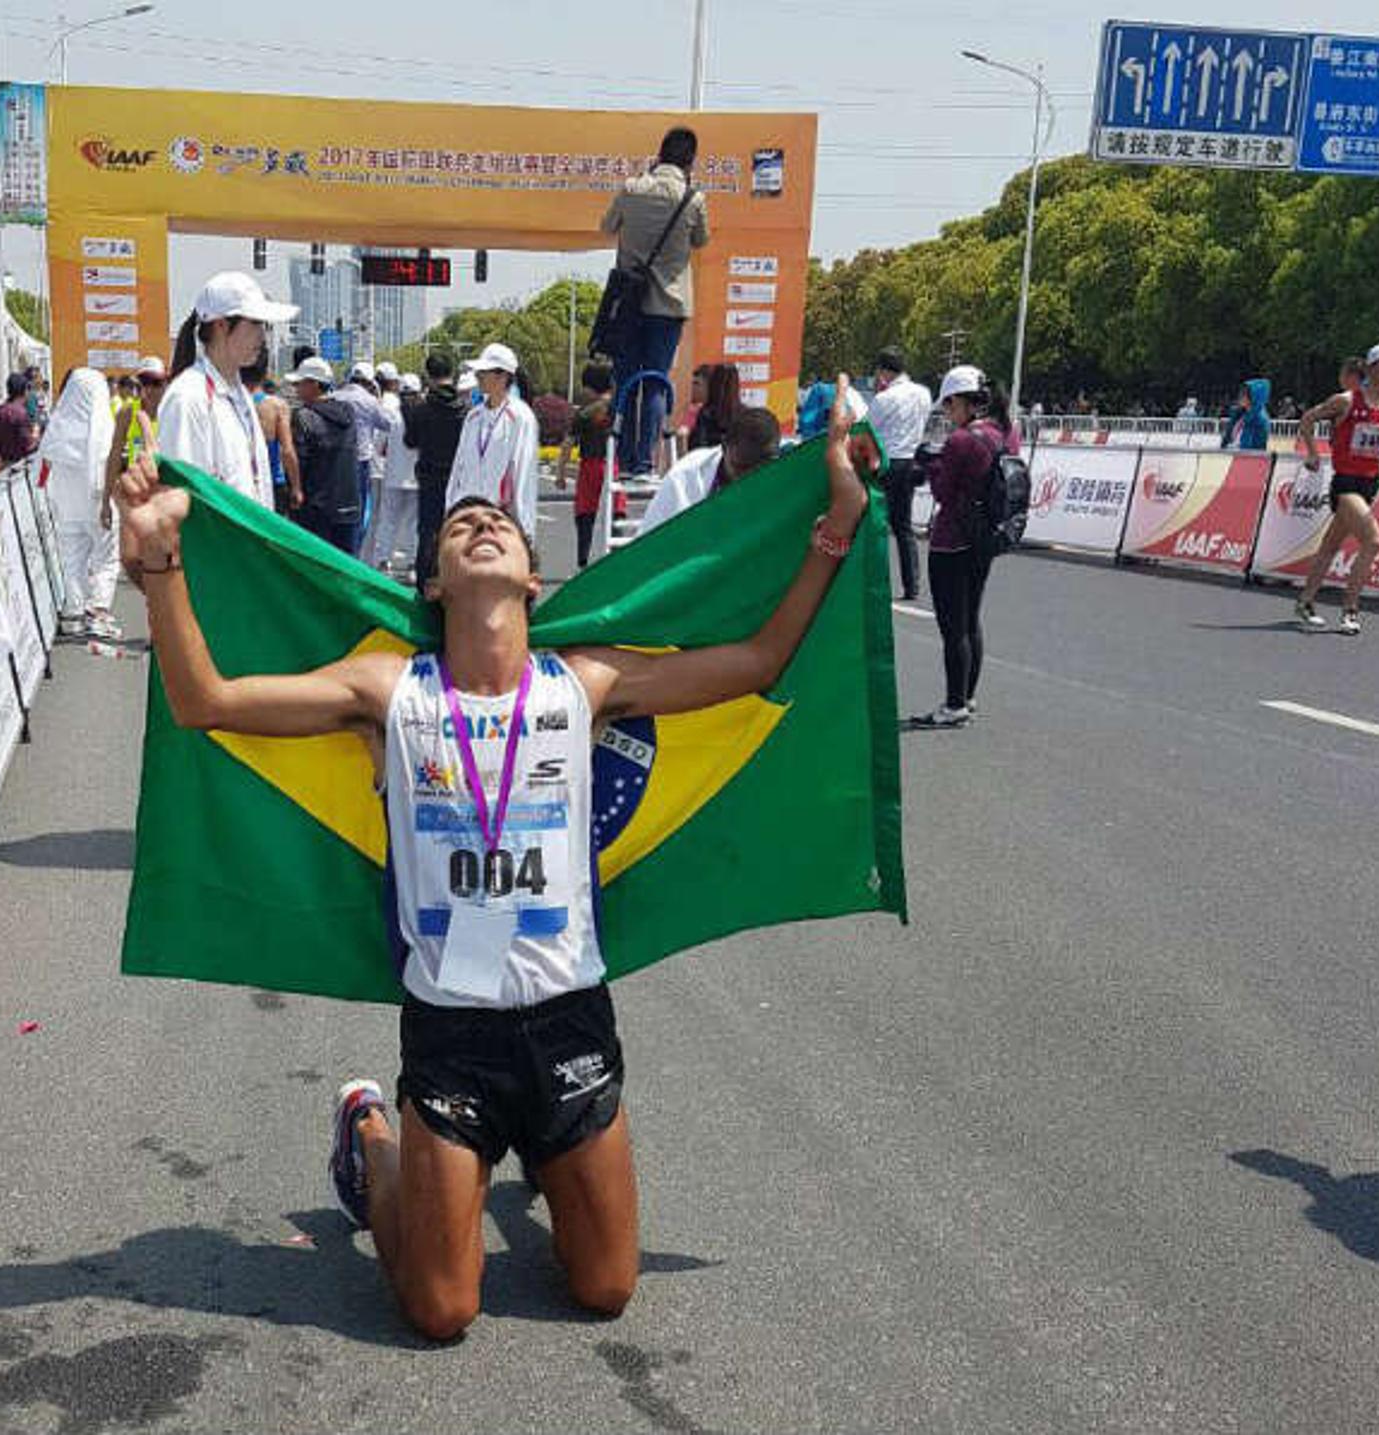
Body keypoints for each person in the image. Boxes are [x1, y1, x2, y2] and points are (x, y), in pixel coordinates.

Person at [110, 379, 867, 1341]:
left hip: (568, 1024)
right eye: (457, 524)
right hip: (451, 1035)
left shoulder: (584, 683)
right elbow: (205, 701)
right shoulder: (388, 689)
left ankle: (523, 1174)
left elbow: (757, 661)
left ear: (531, 580)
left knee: (604, 1289)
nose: (478, 524)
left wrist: (835, 518)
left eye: (497, 524)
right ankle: (371, 1141)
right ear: (433, 582)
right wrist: (163, 558)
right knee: (441, 1307)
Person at [600, 126, 710, 477]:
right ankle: (645, 462)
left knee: (627, 376)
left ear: (658, 153)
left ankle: (625, 458)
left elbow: (607, 225)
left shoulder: (632, 188)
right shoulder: (693, 198)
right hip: (669, 304)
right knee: (655, 379)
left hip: (628, 302)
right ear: (690, 161)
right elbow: (701, 240)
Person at [1292, 341, 1379, 635]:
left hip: (1370, 483)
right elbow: (1307, 419)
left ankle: (1305, 601)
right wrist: (1312, 453)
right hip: (1345, 482)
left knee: (1330, 546)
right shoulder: (1346, 401)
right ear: (1371, 368)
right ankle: (1350, 610)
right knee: (1373, 542)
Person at [915, 365, 1014, 728]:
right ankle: (967, 697)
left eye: (948, 405)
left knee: (952, 627)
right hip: (984, 538)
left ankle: (954, 703)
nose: (946, 413)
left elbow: (943, 492)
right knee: (971, 619)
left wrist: (931, 464)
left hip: (952, 541)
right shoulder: (1002, 433)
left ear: (960, 401)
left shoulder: (960, 441)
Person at [158, 272, 296, 510]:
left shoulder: (239, 394)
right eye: (254, 323)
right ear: (221, 325)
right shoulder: (188, 397)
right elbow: (184, 496)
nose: (262, 336)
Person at [38, 368, 120, 639]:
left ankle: (73, 613)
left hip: (67, 505)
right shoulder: (102, 424)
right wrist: (107, 499)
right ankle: (97, 612)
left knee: (72, 559)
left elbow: (44, 464)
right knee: (106, 558)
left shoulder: (59, 425)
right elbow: (107, 460)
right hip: (98, 501)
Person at [636, 406, 784, 535]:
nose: (748, 480)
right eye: (741, 468)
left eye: (760, 471)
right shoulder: (684, 478)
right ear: (724, 446)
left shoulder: (787, 479)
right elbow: (649, 542)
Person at [445, 343, 539, 539]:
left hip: (500, 521)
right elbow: (458, 469)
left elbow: (523, 476)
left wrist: (525, 531)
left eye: (483, 371)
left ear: (502, 376)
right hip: (468, 517)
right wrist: (451, 511)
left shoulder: (521, 417)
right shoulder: (473, 417)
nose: (478, 375)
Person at [863, 348, 934, 601]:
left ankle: (873, 581)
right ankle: (911, 583)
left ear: (883, 371)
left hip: (887, 463)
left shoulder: (885, 398)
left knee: (876, 524)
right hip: (911, 462)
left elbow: (867, 429)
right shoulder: (924, 393)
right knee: (904, 526)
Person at [283, 355, 359, 552]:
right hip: (349, 503)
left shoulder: (304, 416)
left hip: (317, 508)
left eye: (300, 383)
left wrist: (295, 490)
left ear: (315, 384)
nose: (296, 389)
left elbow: (300, 460)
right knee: (346, 567)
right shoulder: (348, 412)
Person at [405, 352, 467, 588]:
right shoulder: (466, 410)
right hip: (459, 479)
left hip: (429, 477)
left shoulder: (420, 410)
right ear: (452, 374)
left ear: (428, 377)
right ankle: (457, 583)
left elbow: (410, 441)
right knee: (458, 530)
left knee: (428, 533)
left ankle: (425, 585)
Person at [556, 362, 624, 567]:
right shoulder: (619, 407)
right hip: (613, 466)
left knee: (585, 513)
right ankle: (617, 556)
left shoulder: (585, 413)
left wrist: (560, 474)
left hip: (590, 466)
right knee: (616, 511)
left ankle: (582, 560)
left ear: (589, 386)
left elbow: (568, 444)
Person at [333, 361, 392, 553]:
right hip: (360, 460)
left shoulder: (335, 397)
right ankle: (355, 549)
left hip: (336, 459)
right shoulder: (369, 400)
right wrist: (378, 398)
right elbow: (388, 424)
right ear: (369, 382)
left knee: (337, 507)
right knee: (359, 509)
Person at [366, 362, 416, 570]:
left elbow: (378, 446)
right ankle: (411, 562)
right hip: (415, 477)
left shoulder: (393, 415)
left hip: (392, 475)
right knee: (413, 522)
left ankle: (382, 560)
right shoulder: (423, 416)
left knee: (388, 520)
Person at [242, 360, 302, 513]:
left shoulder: (228, 403)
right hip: (272, 482)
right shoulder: (276, 406)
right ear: (264, 374)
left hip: (241, 483)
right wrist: (296, 487)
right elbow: (287, 450)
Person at [685, 362, 740, 452]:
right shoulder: (744, 415)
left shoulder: (705, 415)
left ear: (711, 385)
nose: (692, 388)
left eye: (696, 383)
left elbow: (697, 449)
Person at [0, 372, 38, 463]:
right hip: (19, 464)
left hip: (3, 462)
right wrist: (35, 434)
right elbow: (28, 445)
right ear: (24, 390)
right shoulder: (21, 414)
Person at [1221, 379, 1270, 452]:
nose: (1240, 397)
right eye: (1241, 393)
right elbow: (1229, 435)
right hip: (1239, 454)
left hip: (1250, 457)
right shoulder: (1241, 413)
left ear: (1253, 397)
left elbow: (1256, 445)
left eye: (1244, 394)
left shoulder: (1259, 418)